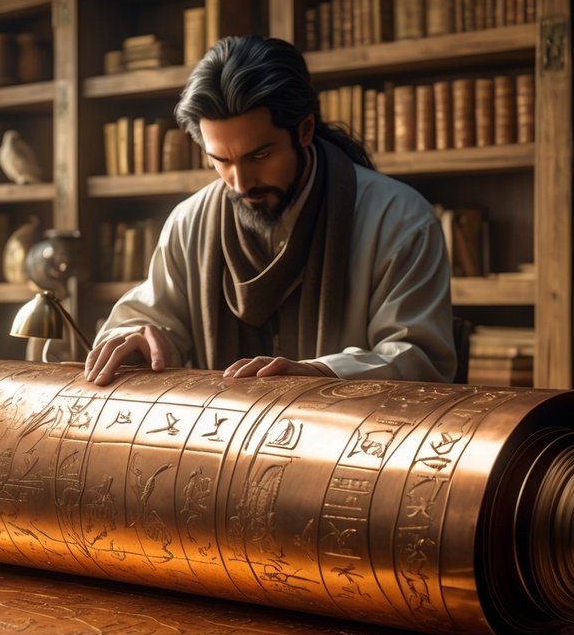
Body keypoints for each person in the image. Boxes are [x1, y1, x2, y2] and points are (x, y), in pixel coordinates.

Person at [83, 35, 455, 386]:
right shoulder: (188, 222)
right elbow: (154, 321)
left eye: (259, 155)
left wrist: (321, 374)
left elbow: (419, 358)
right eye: (220, 160)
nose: (240, 182)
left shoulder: (400, 219)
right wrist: (139, 339)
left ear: (305, 129)